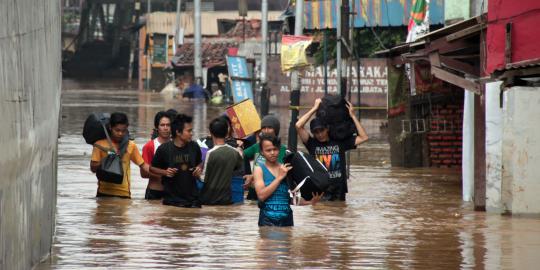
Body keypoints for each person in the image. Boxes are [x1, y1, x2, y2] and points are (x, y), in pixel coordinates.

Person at [295, 98, 369, 201]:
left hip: (339, 190)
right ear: (313, 133)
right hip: (319, 190)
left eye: (322, 130)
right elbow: (298, 125)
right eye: (316, 132)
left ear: (327, 129)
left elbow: (364, 137)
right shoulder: (312, 144)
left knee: (338, 213)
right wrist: (314, 108)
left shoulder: (340, 143)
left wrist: (352, 116)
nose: (320, 134)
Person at [253, 134, 323, 227]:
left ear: (279, 149)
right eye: (268, 150)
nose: (272, 152)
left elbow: (291, 198)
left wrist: (310, 202)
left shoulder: (287, 168)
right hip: (267, 220)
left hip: (287, 221)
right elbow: (261, 195)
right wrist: (279, 178)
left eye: (275, 149)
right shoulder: (259, 169)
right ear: (262, 152)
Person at [90, 112, 149, 199]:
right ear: (110, 127)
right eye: (117, 130)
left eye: (123, 131)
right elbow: (93, 168)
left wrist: (162, 173)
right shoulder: (99, 145)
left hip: (124, 194)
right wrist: (107, 159)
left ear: (127, 129)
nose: (120, 133)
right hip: (103, 194)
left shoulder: (130, 145)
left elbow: (143, 165)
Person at [150, 114, 203, 207]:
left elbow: (200, 162)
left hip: (193, 201)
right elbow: (152, 168)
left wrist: (199, 168)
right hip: (171, 201)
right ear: (178, 132)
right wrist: (165, 172)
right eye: (189, 131)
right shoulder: (164, 149)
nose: (192, 133)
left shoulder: (194, 146)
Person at [199, 117, 244, 205]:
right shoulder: (235, 152)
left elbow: (203, 179)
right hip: (226, 198)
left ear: (211, 133)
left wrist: (197, 174)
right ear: (227, 132)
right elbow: (238, 167)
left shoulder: (210, 153)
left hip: (210, 199)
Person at [243, 115, 287, 199]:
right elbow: (243, 155)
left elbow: (279, 169)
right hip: (254, 191)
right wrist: (247, 174)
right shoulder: (256, 146)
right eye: (263, 128)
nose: (266, 131)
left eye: (270, 127)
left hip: (271, 191)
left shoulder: (282, 149)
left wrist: (253, 176)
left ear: (276, 129)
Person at [141, 111, 172, 200]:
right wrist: (164, 174)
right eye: (162, 125)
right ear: (157, 127)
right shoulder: (149, 146)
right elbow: (143, 173)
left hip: (173, 193)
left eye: (168, 125)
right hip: (155, 192)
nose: (165, 128)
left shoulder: (177, 145)